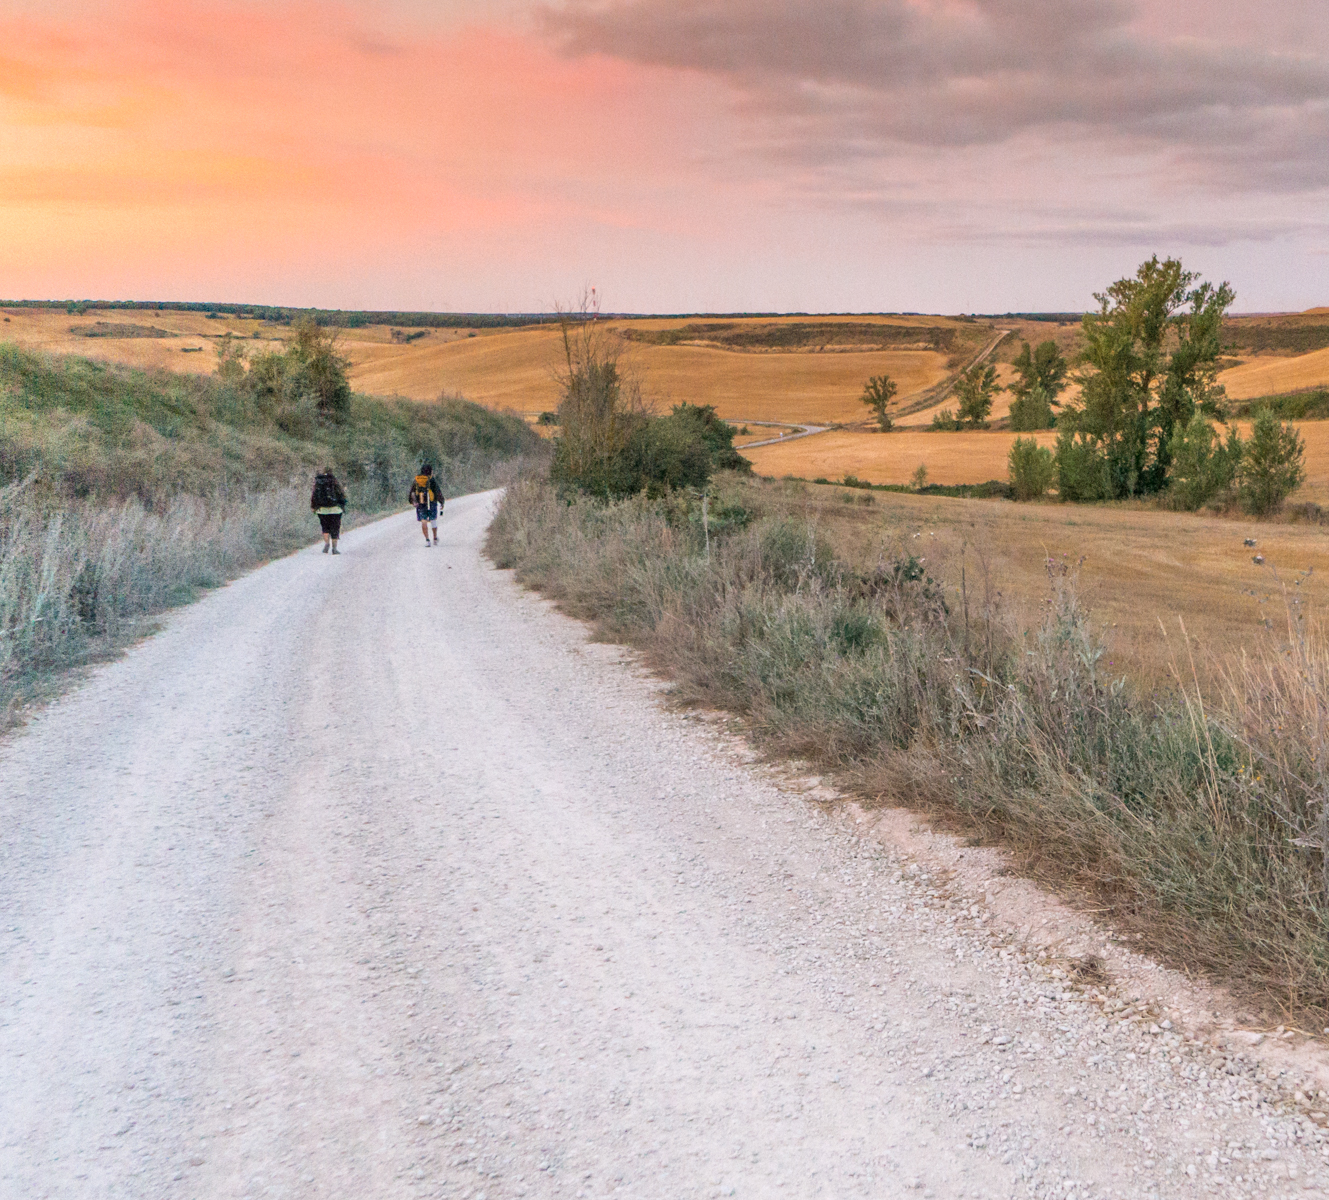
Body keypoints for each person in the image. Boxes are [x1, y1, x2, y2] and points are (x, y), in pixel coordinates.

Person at [310, 467, 347, 555]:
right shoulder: (334, 482)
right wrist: (342, 505)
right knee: (335, 528)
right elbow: (341, 494)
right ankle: (334, 548)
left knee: (325, 527)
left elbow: (314, 496)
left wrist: (313, 507)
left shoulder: (318, 483)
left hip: (322, 510)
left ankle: (327, 544)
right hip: (335, 509)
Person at [408, 463, 444, 546]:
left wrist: (413, 501)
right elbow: (437, 492)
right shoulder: (432, 480)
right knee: (433, 520)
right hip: (431, 502)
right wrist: (442, 501)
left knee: (423, 521)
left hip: (421, 503)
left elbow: (412, 491)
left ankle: (427, 540)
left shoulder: (417, 480)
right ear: (430, 471)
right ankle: (435, 538)